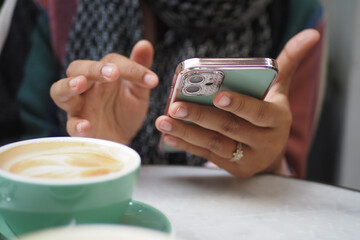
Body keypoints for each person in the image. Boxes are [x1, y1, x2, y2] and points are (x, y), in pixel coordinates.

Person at [0, 0, 325, 178]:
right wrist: (94, 153)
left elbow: (290, 182)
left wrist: (269, 163)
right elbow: (12, 168)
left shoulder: (295, 12)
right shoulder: (50, 6)